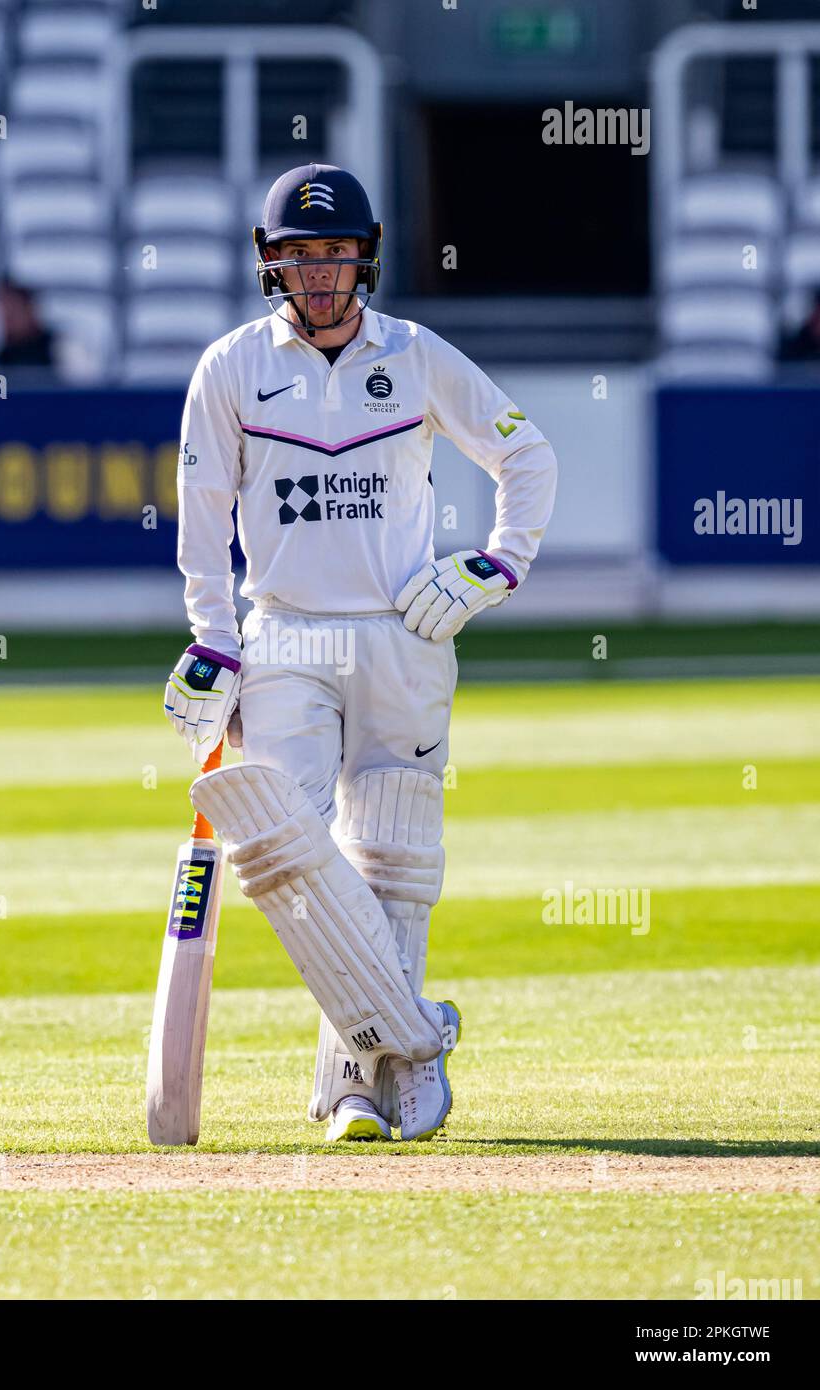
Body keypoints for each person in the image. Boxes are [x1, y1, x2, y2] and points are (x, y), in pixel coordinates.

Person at [163, 164, 558, 1142]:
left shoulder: (417, 357)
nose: (322, 275)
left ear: (364, 256)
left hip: (404, 632)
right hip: (284, 633)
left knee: (394, 862)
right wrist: (213, 636)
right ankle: (418, 1041)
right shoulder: (229, 368)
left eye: (336, 253)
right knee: (283, 849)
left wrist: (495, 566)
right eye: (301, 256)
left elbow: (527, 454)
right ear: (271, 265)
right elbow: (202, 516)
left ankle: (360, 1085)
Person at [0, 279, 57, 380]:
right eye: (3, 312)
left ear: (29, 309)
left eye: (13, 311)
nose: (7, 318)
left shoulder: (61, 348)